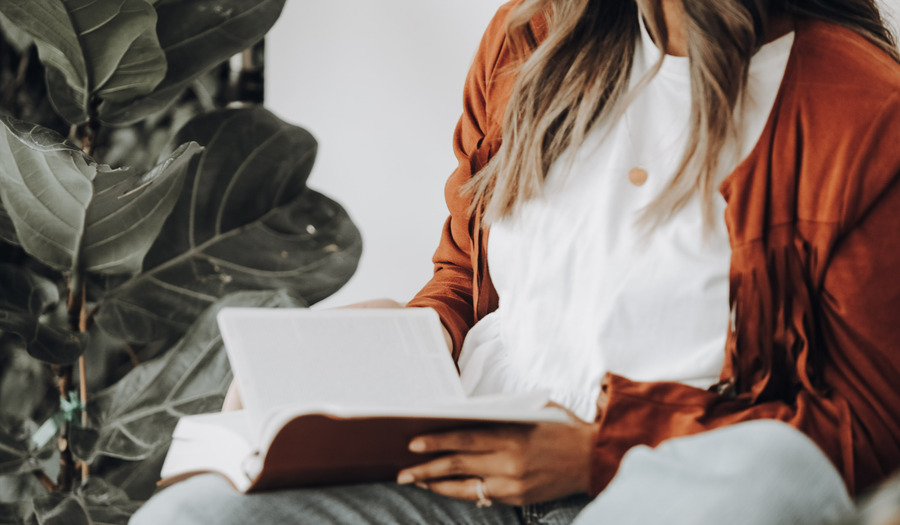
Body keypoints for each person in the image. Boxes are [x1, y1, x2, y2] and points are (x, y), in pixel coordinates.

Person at [131, 0, 900, 523]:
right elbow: (466, 284)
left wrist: (599, 453)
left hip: (662, 491)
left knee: (773, 472)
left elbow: (865, 421)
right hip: (457, 473)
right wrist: (384, 343)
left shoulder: (860, 106)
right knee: (192, 514)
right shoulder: (529, 39)